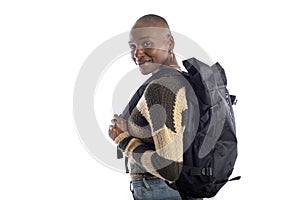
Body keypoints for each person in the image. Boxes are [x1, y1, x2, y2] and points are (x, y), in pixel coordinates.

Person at [108, 14, 203, 200]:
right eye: (133, 47)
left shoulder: (162, 89)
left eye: (146, 44)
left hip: (160, 189)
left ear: (170, 42)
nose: (137, 53)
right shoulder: (180, 81)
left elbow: (169, 167)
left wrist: (122, 139)